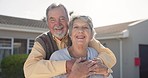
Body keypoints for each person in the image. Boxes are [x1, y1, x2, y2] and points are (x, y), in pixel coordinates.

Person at [23, 3, 116, 78]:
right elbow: (29, 71)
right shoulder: (43, 41)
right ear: (47, 23)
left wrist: (100, 65)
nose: (58, 24)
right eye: (52, 20)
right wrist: (67, 65)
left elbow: (109, 56)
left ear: (68, 21)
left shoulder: (79, 36)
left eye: (62, 19)